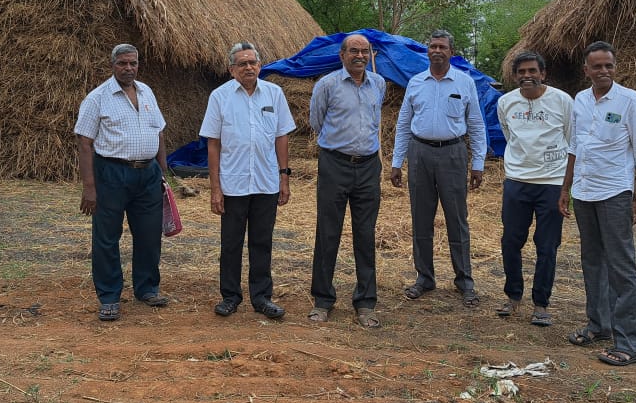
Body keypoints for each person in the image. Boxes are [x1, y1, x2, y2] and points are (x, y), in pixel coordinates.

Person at [559, 40, 636, 366]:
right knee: (592, 262)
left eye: (608, 66)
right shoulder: (580, 101)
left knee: (621, 267)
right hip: (584, 193)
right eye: (596, 66)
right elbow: (575, 147)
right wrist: (565, 188)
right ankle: (599, 325)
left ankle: (628, 343)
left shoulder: (629, 100)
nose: (603, 71)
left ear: (615, 68)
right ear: (586, 70)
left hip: (614, 194)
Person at [390, 29, 487, 307]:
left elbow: (477, 125)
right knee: (421, 217)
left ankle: (464, 280)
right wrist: (397, 162)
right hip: (419, 153)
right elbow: (404, 123)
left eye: (442, 47)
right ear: (427, 51)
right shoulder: (416, 82)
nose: (437, 51)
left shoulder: (465, 82)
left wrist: (477, 163)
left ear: (451, 52)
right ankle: (425, 278)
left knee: (457, 219)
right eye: (432, 46)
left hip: (453, 153)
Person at [200, 41, 295, 319]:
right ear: (232, 70)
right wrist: (215, 188)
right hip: (233, 183)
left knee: (262, 241)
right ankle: (230, 296)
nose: (249, 67)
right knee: (231, 243)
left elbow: (281, 136)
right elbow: (213, 144)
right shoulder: (220, 97)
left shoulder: (274, 95)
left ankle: (262, 297)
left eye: (253, 62)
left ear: (260, 66)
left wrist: (284, 178)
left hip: (266, 181)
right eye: (242, 63)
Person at [75, 43, 170, 322]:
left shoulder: (147, 92)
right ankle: (109, 296)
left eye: (133, 63)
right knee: (106, 237)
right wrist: (89, 187)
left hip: (148, 174)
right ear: (112, 65)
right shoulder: (98, 98)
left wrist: (162, 170)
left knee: (150, 234)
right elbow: (84, 143)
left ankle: (147, 288)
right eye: (123, 64)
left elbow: (160, 132)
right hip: (112, 174)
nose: (129, 68)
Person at [308, 32, 387, 328]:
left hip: (368, 166)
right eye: (353, 51)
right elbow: (317, 121)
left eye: (365, 51)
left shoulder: (378, 84)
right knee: (328, 232)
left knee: (365, 234)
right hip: (334, 164)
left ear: (370, 55)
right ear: (342, 55)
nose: (360, 56)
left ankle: (365, 302)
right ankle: (323, 300)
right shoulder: (327, 85)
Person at [494, 50, 573, 327]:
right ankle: (513, 296)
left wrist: (565, 186)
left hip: (551, 183)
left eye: (532, 71)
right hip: (517, 181)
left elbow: (570, 139)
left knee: (547, 245)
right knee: (511, 241)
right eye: (522, 72)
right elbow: (508, 135)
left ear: (543, 73)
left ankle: (541, 303)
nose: (527, 76)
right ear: (515, 76)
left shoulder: (562, 101)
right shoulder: (505, 103)